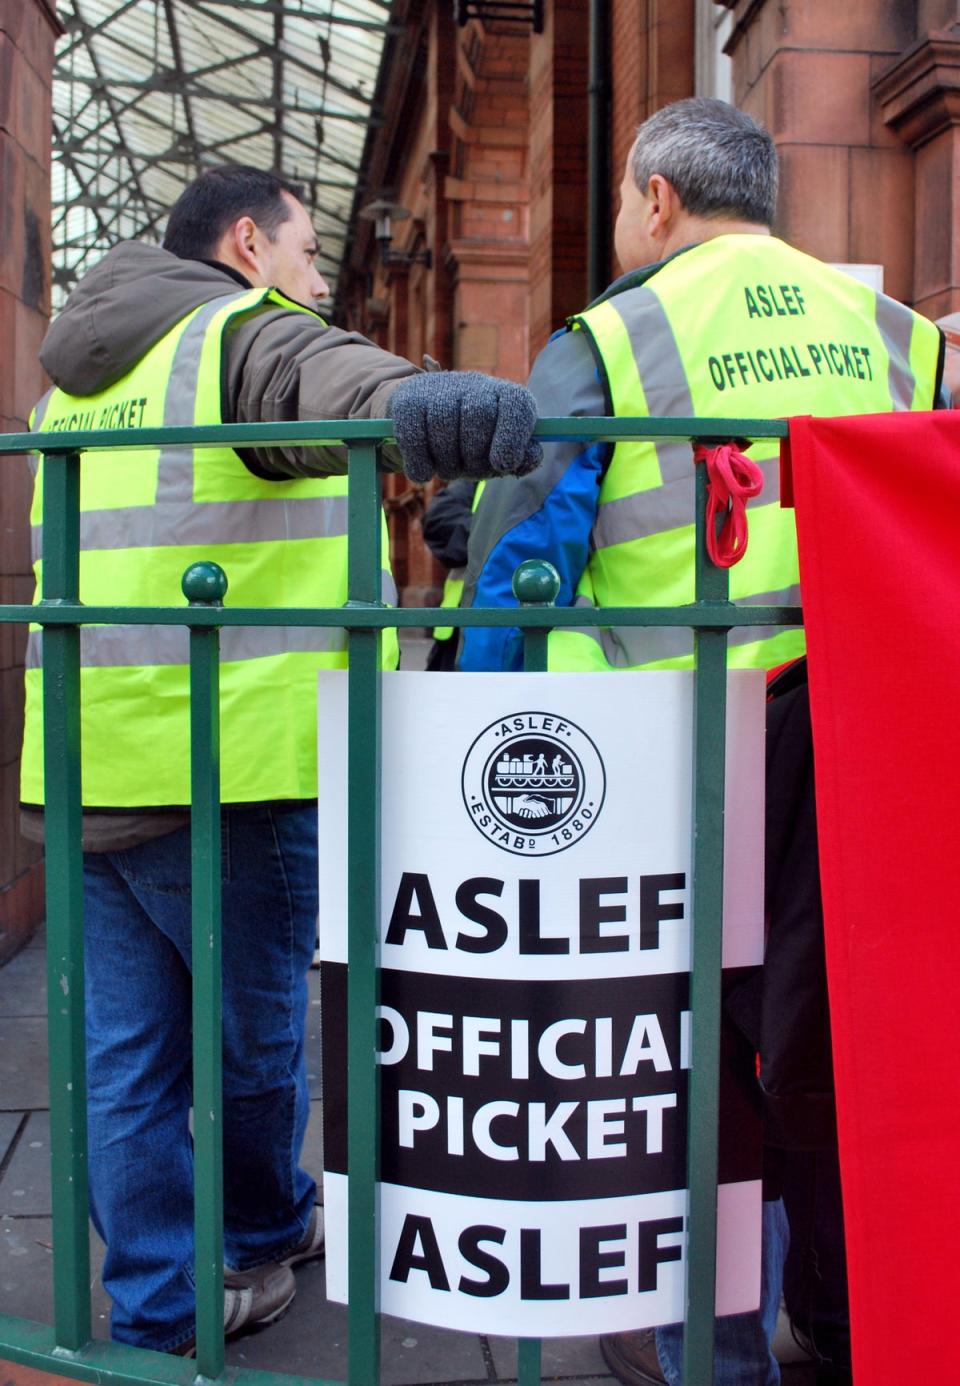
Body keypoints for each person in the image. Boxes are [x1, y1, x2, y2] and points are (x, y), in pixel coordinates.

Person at [458, 98, 943, 1385]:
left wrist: (471, 719)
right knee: (849, 1045)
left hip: (677, 763)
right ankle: (846, 1328)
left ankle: (708, 1347)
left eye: (625, 199)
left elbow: (520, 563)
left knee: (688, 1068)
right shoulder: (896, 336)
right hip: (864, 757)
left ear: (657, 199)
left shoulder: (614, 338)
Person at [19, 165, 541, 1356]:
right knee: (256, 1042)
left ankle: (160, 1308)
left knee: (123, 1064)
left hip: (86, 766)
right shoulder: (238, 337)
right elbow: (323, 377)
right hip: (236, 774)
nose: (317, 288)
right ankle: (260, 1241)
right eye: (309, 262)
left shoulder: (83, 378)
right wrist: (427, 400)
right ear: (248, 244)